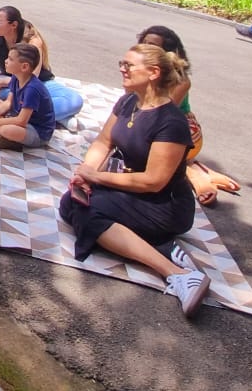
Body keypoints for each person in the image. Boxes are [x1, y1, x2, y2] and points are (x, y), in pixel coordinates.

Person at [58, 44, 210, 318]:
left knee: (90, 212)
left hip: (164, 205)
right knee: (71, 203)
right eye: (122, 63)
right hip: (128, 189)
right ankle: (162, 246)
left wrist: (97, 177)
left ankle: (177, 274)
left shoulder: (171, 122)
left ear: (153, 72)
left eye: (128, 65)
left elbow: (154, 181)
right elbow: (103, 142)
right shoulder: (129, 102)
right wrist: (85, 173)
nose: (122, 69)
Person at [137, 25, 239, 206]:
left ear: (167, 52)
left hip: (181, 133)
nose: (145, 48)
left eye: (152, 45)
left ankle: (191, 172)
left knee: (138, 152)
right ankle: (194, 166)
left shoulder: (180, 80)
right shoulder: (137, 68)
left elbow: (159, 115)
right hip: (153, 125)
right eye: (143, 43)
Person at [0, 6, 83, 125]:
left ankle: (26, 117)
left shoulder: (33, 42)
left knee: (75, 100)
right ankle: (54, 117)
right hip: (8, 86)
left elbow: (32, 77)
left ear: (14, 25)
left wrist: (0, 82)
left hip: (38, 82)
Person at [0, 42, 55, 149]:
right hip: (16, 116)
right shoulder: (15, 77)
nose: (6, 61)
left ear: (24, 67)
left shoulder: (32, 89)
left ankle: (2, 133)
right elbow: (8, 103)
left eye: (10, 59)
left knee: (6, 130)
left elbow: (21, 121)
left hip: (36, 130)